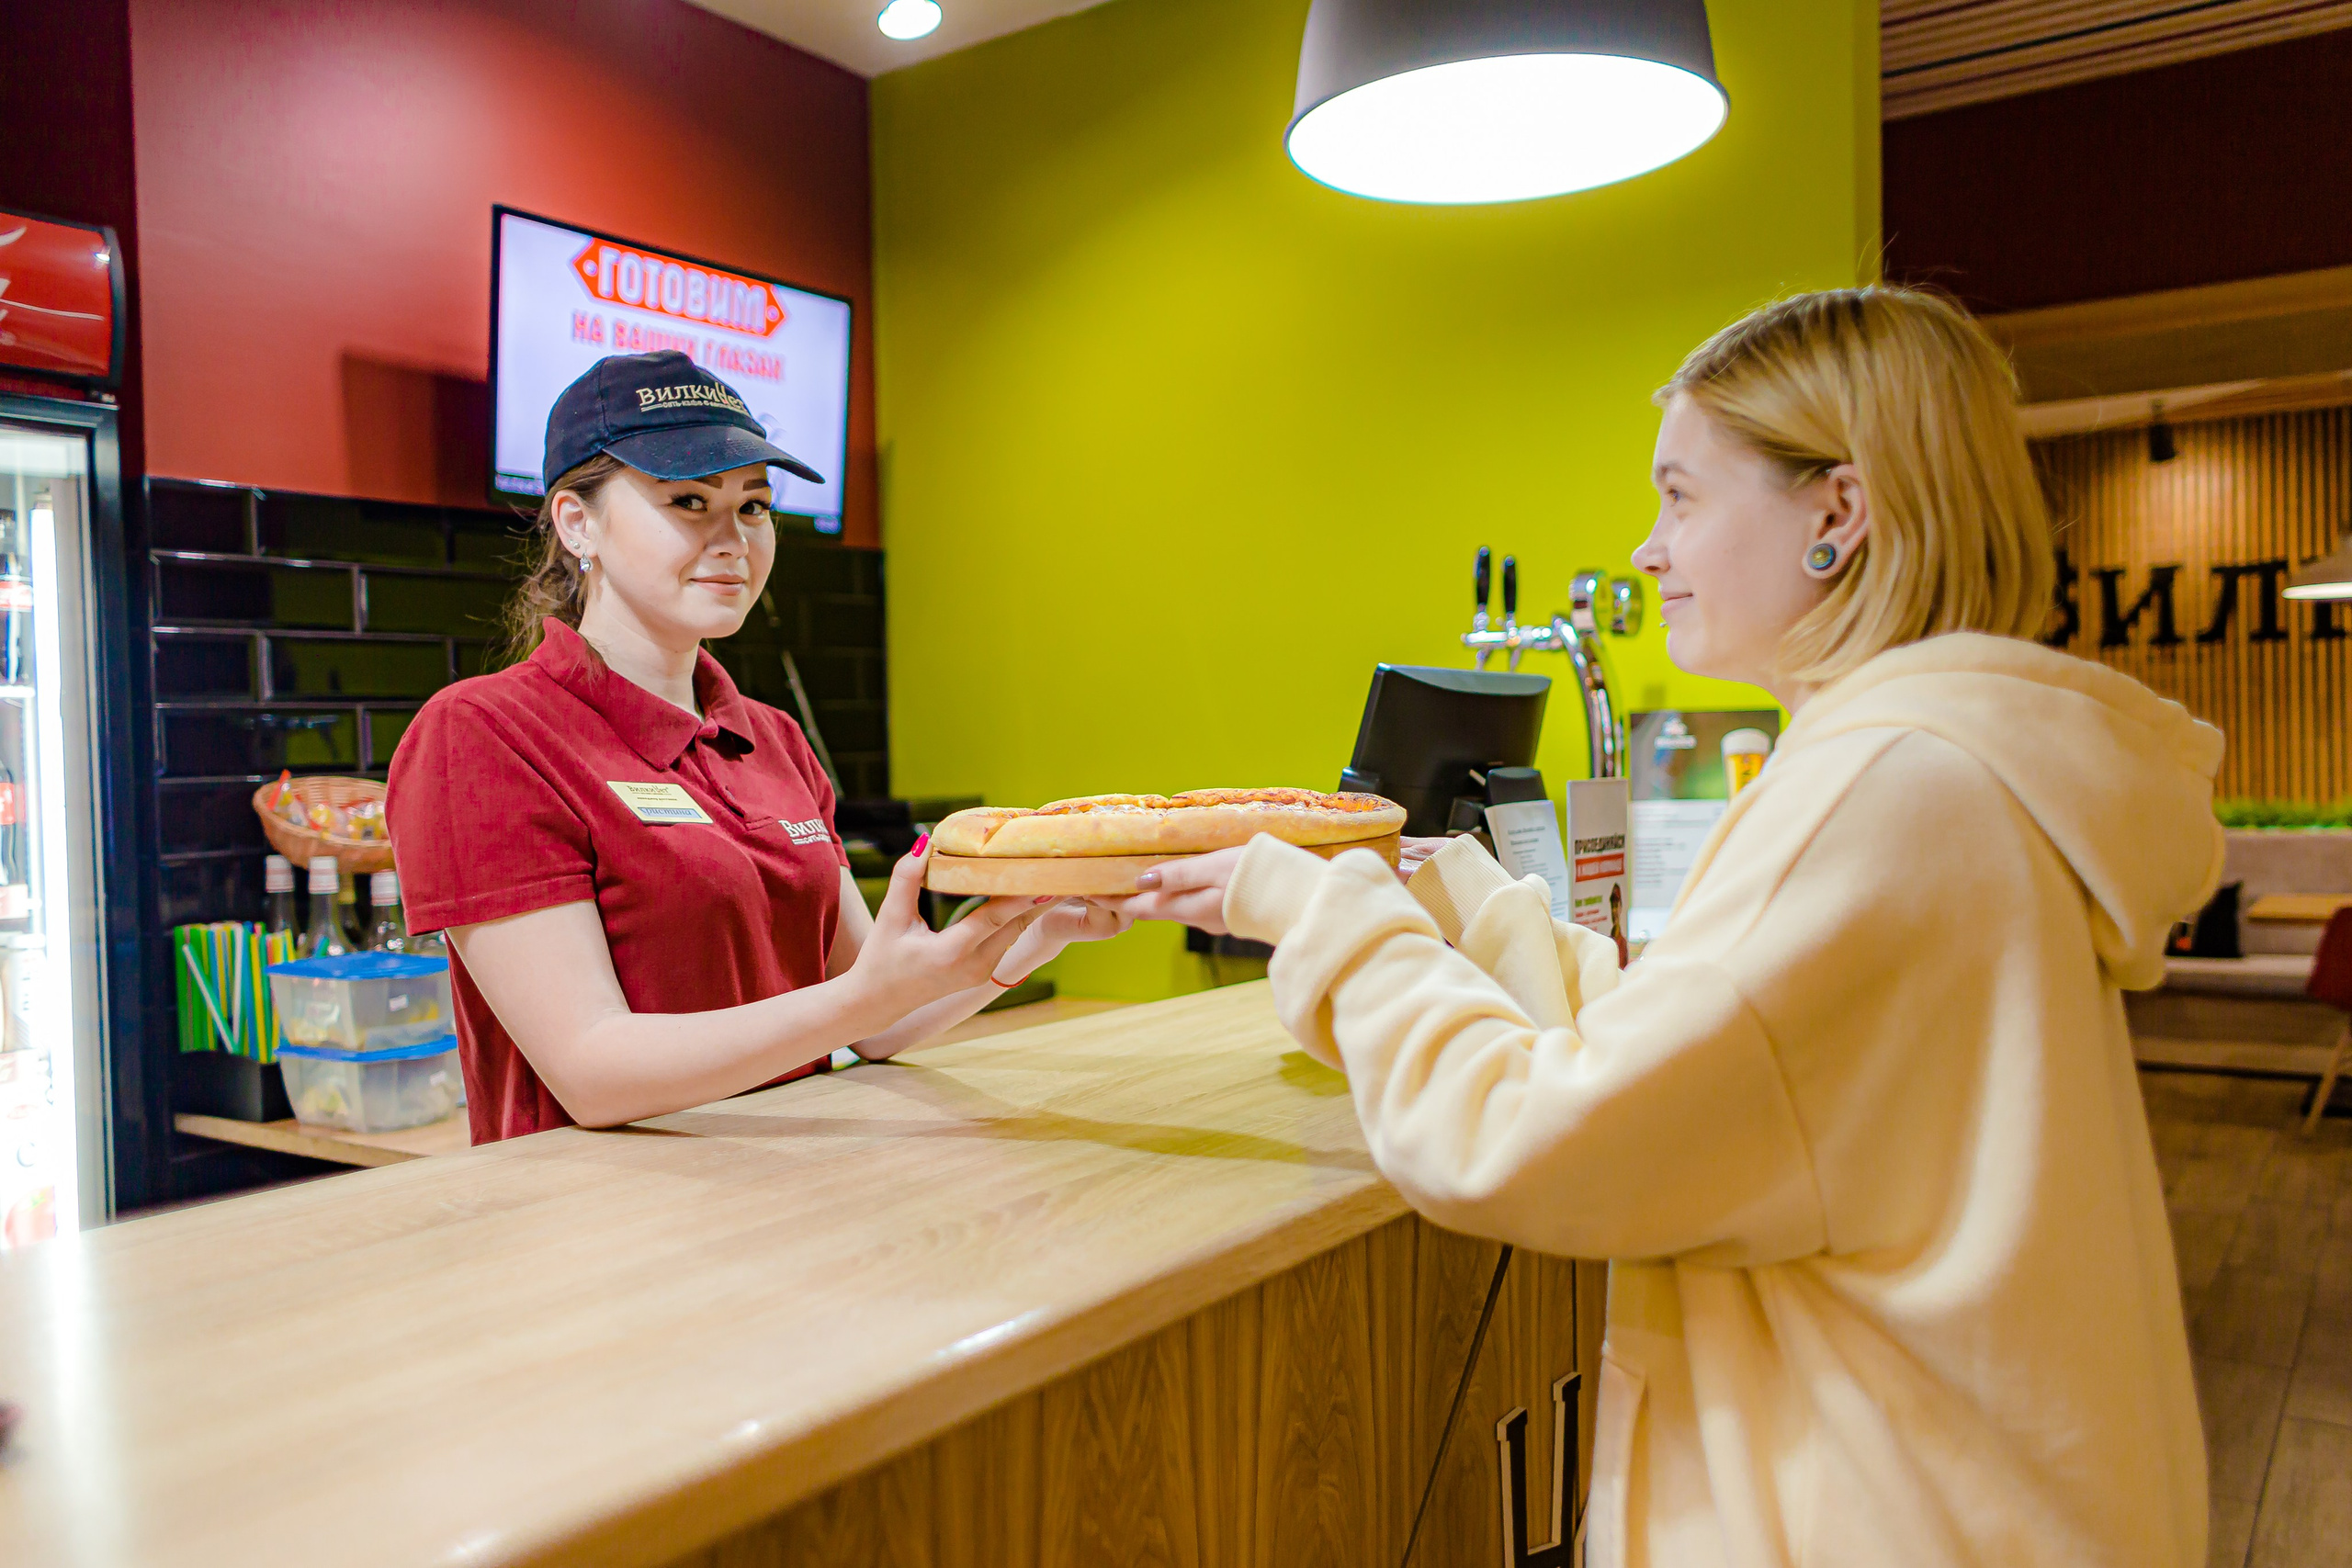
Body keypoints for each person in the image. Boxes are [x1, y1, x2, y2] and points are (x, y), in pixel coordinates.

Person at [1109, 288, 2217, 1567]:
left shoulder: (1881, 791)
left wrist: (1323, 910)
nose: (1646, 548)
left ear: (1836, 513)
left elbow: (1536, 1139)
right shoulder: (1946, 767)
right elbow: (1721, 1047)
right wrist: (1453, 896)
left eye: (1681, 497)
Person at [388, 352, 1125, 1142]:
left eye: (753, 505)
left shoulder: (771, 737)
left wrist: (1041, 926)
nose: (732, 538)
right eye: (689, 499)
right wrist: (862, 1000)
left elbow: (874, 1020)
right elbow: (593, 1070)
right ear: (577, 522)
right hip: (597, 1235)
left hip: (789, 1199)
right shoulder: (483, 735)